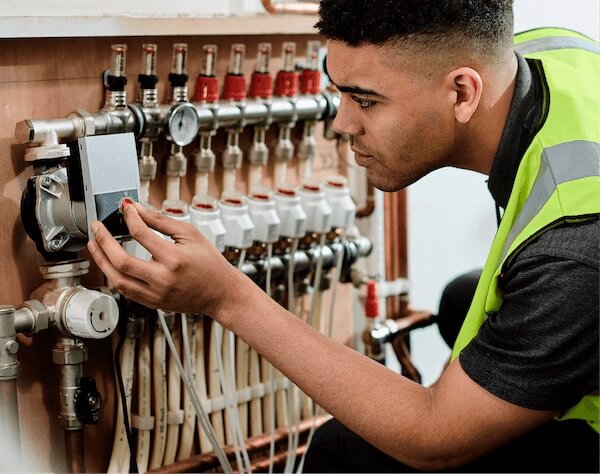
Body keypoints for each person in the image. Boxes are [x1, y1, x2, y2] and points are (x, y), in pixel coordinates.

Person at [88, 0, 599, 471]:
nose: (342, 123)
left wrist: (226, 298)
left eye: (366, 100)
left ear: (463, 92)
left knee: (346, 453)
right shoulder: (548, 54)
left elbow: (434, 438)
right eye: (338, 90)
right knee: (462, 302)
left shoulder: (573, 250)